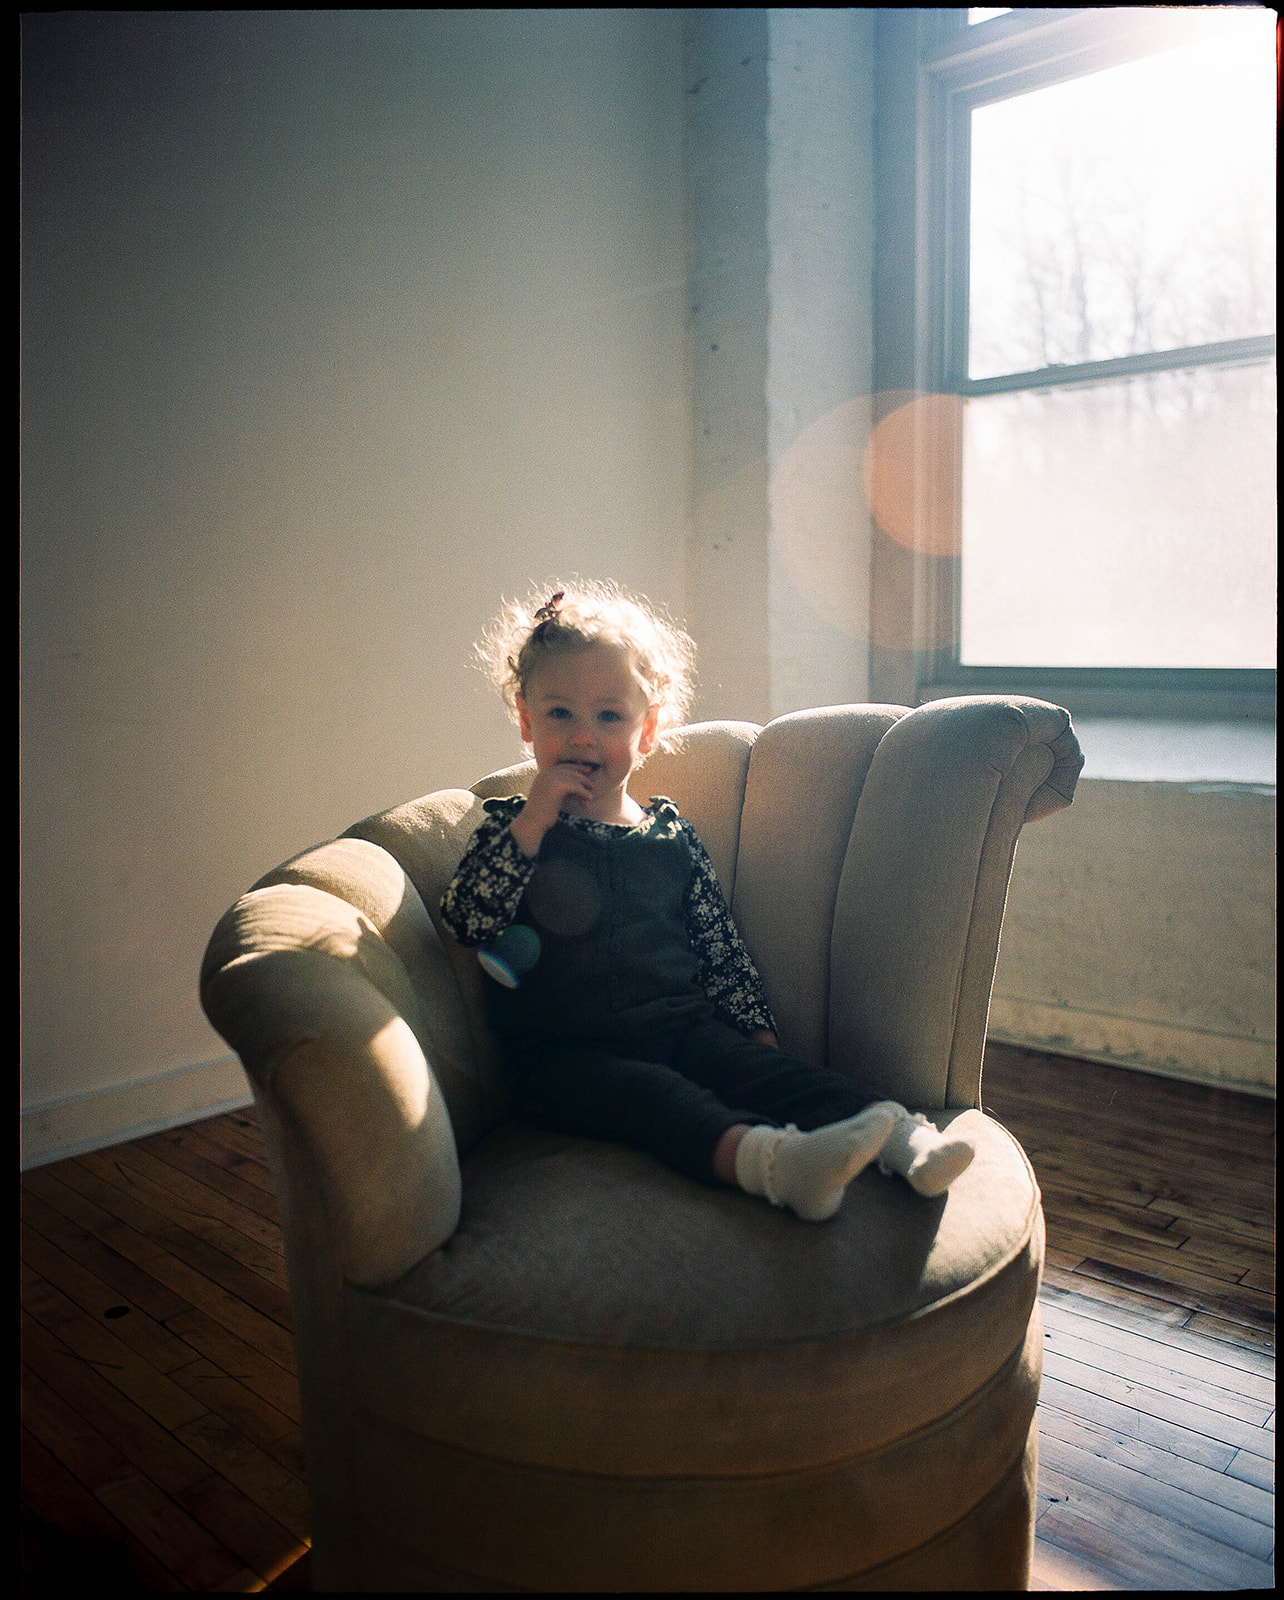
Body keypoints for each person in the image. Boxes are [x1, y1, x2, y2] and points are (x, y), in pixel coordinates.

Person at [441, 580, 975, 1221]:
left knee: (770, 1074)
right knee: (659, 1099)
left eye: (609, 716)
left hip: (681, 1027)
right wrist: (532, 824)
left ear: (648, 731)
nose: (583, 737)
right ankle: (776, 1166)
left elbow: (718, 944)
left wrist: (756, 1032)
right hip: (564, 1056)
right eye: (560, 714)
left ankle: (904, 1141)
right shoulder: (512, 828)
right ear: (527, 721)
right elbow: (469, 918)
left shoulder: (669, 836)